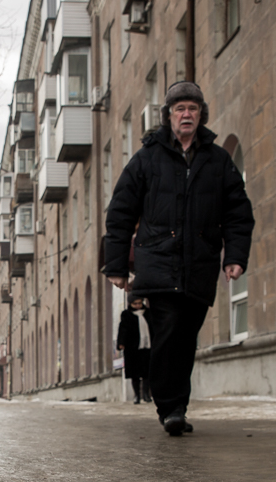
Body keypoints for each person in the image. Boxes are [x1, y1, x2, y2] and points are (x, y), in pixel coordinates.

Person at [103, 81, 254, 436]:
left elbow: (238, 212)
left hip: (200, 262)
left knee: (186, 337)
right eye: (179, 109)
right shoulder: (147, 158)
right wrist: (116, 265)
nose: (186, 114)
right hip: (157, 259)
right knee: (168, 331)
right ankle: (169, 405)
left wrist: (234, 256)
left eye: (193, 109)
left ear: (201, 115)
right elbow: (121, 211)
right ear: (168, 115)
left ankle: (177, 405)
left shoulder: (217, 160)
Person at [116, 296, 153, 404]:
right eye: (135, 304)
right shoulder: (126, 315)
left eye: (139, 303)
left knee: (147, 372)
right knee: (134, 373)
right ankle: (137, 395)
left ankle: (146, 394)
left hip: (147, 346)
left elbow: (153, 327)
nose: (137, 306)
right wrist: (121, 343)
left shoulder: (148, 313)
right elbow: (123, 328)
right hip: (132, 348)